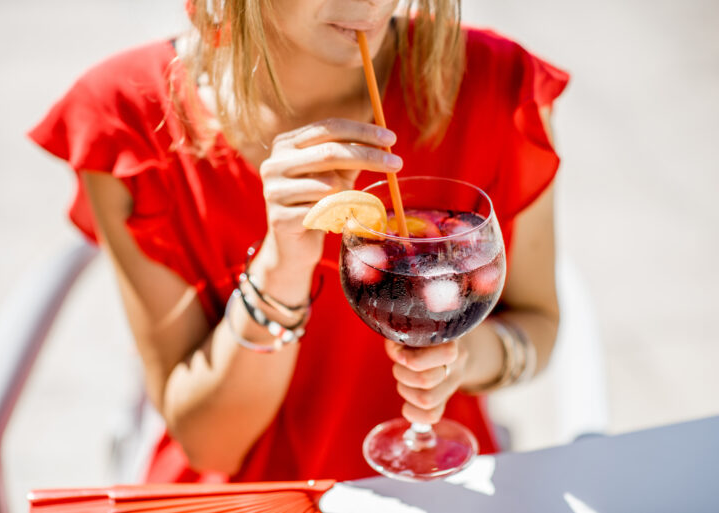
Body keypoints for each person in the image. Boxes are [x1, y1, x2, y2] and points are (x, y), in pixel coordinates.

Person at [29, 0, 568, 483]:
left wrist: (466, 358)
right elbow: (211, 446)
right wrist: (280, 268)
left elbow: (538, 320)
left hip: (432, 482)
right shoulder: (129, 115)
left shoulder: (496, 83)